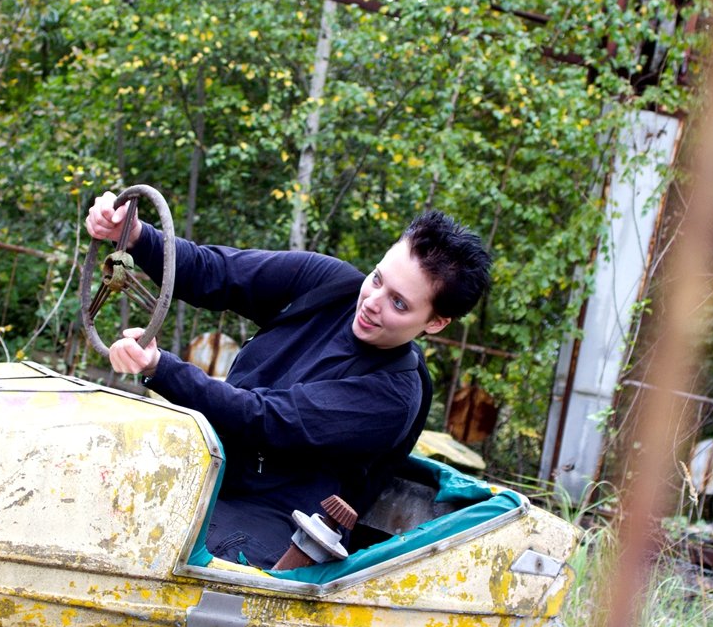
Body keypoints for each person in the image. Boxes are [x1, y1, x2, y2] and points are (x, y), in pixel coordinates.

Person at [85, 191, 492, 567]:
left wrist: (161, 367)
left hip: (281, 524)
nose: (371, 302)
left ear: (436, 322)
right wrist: (136, 235)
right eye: (378, 278)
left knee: (161, 556)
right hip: (210, 471)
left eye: (399, 303)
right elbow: (216, 273)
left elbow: (266, 420)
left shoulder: (393, 395)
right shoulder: (328, 285)